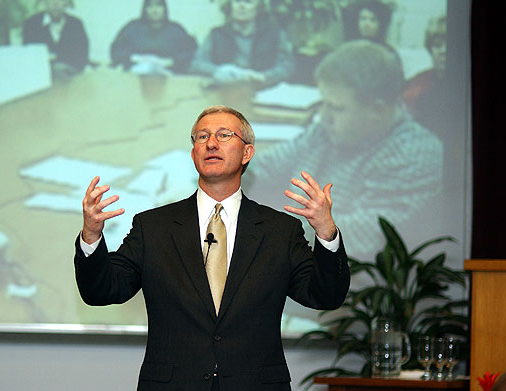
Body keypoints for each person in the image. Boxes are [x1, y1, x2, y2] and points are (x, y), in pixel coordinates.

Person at [75, 105, 349, 390]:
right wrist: (91, 236)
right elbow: (101, 291)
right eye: (202, 137)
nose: (211, 143)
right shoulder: (153, 227)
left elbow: (325, 296)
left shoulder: (279, 230)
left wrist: (326, 232)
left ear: (247, 153)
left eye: (224, 135)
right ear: (193, 153)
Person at [244, 40, 443, 259]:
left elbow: (359, 238)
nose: (324, 116)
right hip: (288, 262)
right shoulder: (327, 130)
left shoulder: (415, 155)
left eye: (337, 107)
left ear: (377, 110)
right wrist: (231, 176)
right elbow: (267, 165)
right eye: (325, 103)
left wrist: (264, 229)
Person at [190, 0, 294, 88]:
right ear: (230, 5)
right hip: (226, 92)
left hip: (263, 90)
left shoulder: (274, 33)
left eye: (248, 2)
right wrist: (219, 71)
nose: (242, 6)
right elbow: (197, 64)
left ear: (258, 7)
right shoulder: (216, 34)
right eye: (237, 1)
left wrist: (263, 77)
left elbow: (287, 67)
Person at [110, 0, 197, 75]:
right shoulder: (132, 28)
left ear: (165, 8)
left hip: (169, 77)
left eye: (158, 5)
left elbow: (191, 54)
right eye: (150, 6)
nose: (154, 10)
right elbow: (116, 51)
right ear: (144, 9)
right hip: (135, 76)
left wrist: (168, 62)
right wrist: (137, 58)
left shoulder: (176, 30)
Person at [23, 0, 89, 80]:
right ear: (44, 2)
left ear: (67, 2)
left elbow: (82, 57)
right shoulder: (31, 24)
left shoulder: (76, 24)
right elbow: (29, 57)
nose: (55, 3)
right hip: (40, 80)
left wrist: (63, 67)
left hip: (71, 80)